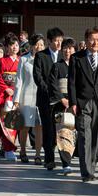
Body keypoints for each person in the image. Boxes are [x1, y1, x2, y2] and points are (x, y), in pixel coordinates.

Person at [68, 27, 98, 182]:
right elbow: (72, 82)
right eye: (92, 39)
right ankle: (86, 171)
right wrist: (73, 102)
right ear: (86, 41)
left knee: (95, 137)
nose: (95, 43)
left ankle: (92, 167)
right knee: (85, 136)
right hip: (83, 101)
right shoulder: (76, 58)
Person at [34, 27, 64, 170]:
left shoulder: (63, 56)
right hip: (45, 99)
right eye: (56, 41)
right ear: (49, 41)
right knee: (48, 129)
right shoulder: (41, 56)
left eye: (60, 41)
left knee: (60, 128)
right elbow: (38, 77)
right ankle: (49, 159)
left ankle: (64, 158)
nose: (59, 44)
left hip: (60, 101)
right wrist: (50, 91)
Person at [13, 34, 45, 164]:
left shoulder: (46, 59)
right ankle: (22, 151)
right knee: (25, 126)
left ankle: (38, 154)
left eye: (42, 44)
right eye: (37, 44)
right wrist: (16, 99)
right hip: (26, 96)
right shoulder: (24, 59)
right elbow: (19, 80)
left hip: (41, 96)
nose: (39, 47)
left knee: (39, 126)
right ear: (31, 45)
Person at [0, 35, 20, 161]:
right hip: (5, 96)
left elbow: (23, 78)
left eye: (17, 45)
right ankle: (7, 149)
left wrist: (16, 90)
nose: (14, 47)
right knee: (4, 123)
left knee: (14, 123)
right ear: (7, 47)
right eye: (12, 45)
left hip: (16, 96)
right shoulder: (1, 62)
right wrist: (6, 89)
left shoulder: (21, 61)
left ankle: (9, 148)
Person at [49, 38, 76, 175]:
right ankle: (66, 163)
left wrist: (73, 101)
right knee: (62, 133)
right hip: (60, 105)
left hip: (75, 104)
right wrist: (62, 98)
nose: (67, 51)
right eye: (65, 48)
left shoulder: (78, 65)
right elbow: (53, 85)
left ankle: (74, 158)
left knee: (74, 133)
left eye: (70, 48)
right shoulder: (56, 66)